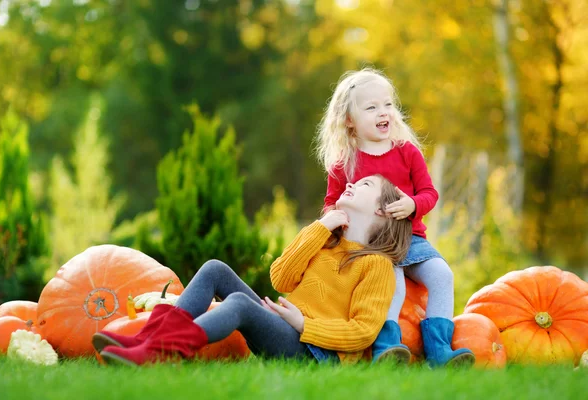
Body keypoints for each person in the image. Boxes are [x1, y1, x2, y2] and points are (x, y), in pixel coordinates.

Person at [93, 175, 412, 366]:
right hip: (285, 328)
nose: (353, 183)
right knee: (214, 269)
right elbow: (280, 278)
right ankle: (149, 342)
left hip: (311, 351)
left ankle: (164, 351)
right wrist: (319, 228)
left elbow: (363, 332)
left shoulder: (377, 266)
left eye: (366, 184)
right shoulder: (327, 242)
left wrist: (305, 324)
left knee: (241, 306)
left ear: (383, 211)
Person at [315, 67, 474, 367]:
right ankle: (386, 347)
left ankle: (440, 352)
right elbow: (330, 204)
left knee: (443, 275)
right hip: (372, 246)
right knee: (393, 284)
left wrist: (413, 206)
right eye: (371, 107)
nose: (383, 112)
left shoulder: (407, 152)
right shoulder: (344, 163)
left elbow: (429, 193)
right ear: (349, 120)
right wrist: (334, 217)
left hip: (410, 238)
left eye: (388, 104)